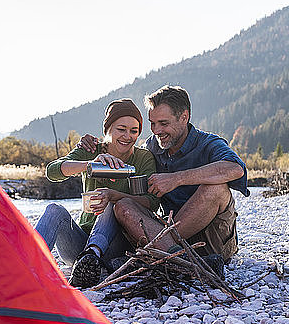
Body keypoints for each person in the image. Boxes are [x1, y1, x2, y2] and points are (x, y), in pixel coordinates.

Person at [79, 85, 249, 277]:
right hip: (166, 234)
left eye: (163, 123)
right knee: (123, 205)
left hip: (211, 240)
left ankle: (161, 259)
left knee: (216, 188)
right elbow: (127, 153)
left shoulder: (209, 143)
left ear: (184, 117)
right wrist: (94, 146)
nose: (156, 130)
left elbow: (236, 168)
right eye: (153, 123)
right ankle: (184, 262)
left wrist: (177, 179)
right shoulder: (152, 146)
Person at [35, 98, 159, 288]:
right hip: (79, 244)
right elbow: (52, 171)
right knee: (54, 210)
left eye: (134, 131)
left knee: (112, 204)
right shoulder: (91, 149)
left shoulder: (142, 158)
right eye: (121, 129)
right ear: (107, 129)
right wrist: (89, 165)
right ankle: (26, 264)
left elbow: (152, 202)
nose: (127, 136)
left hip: (117, 246)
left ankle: (92, 257)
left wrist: (114, 195)